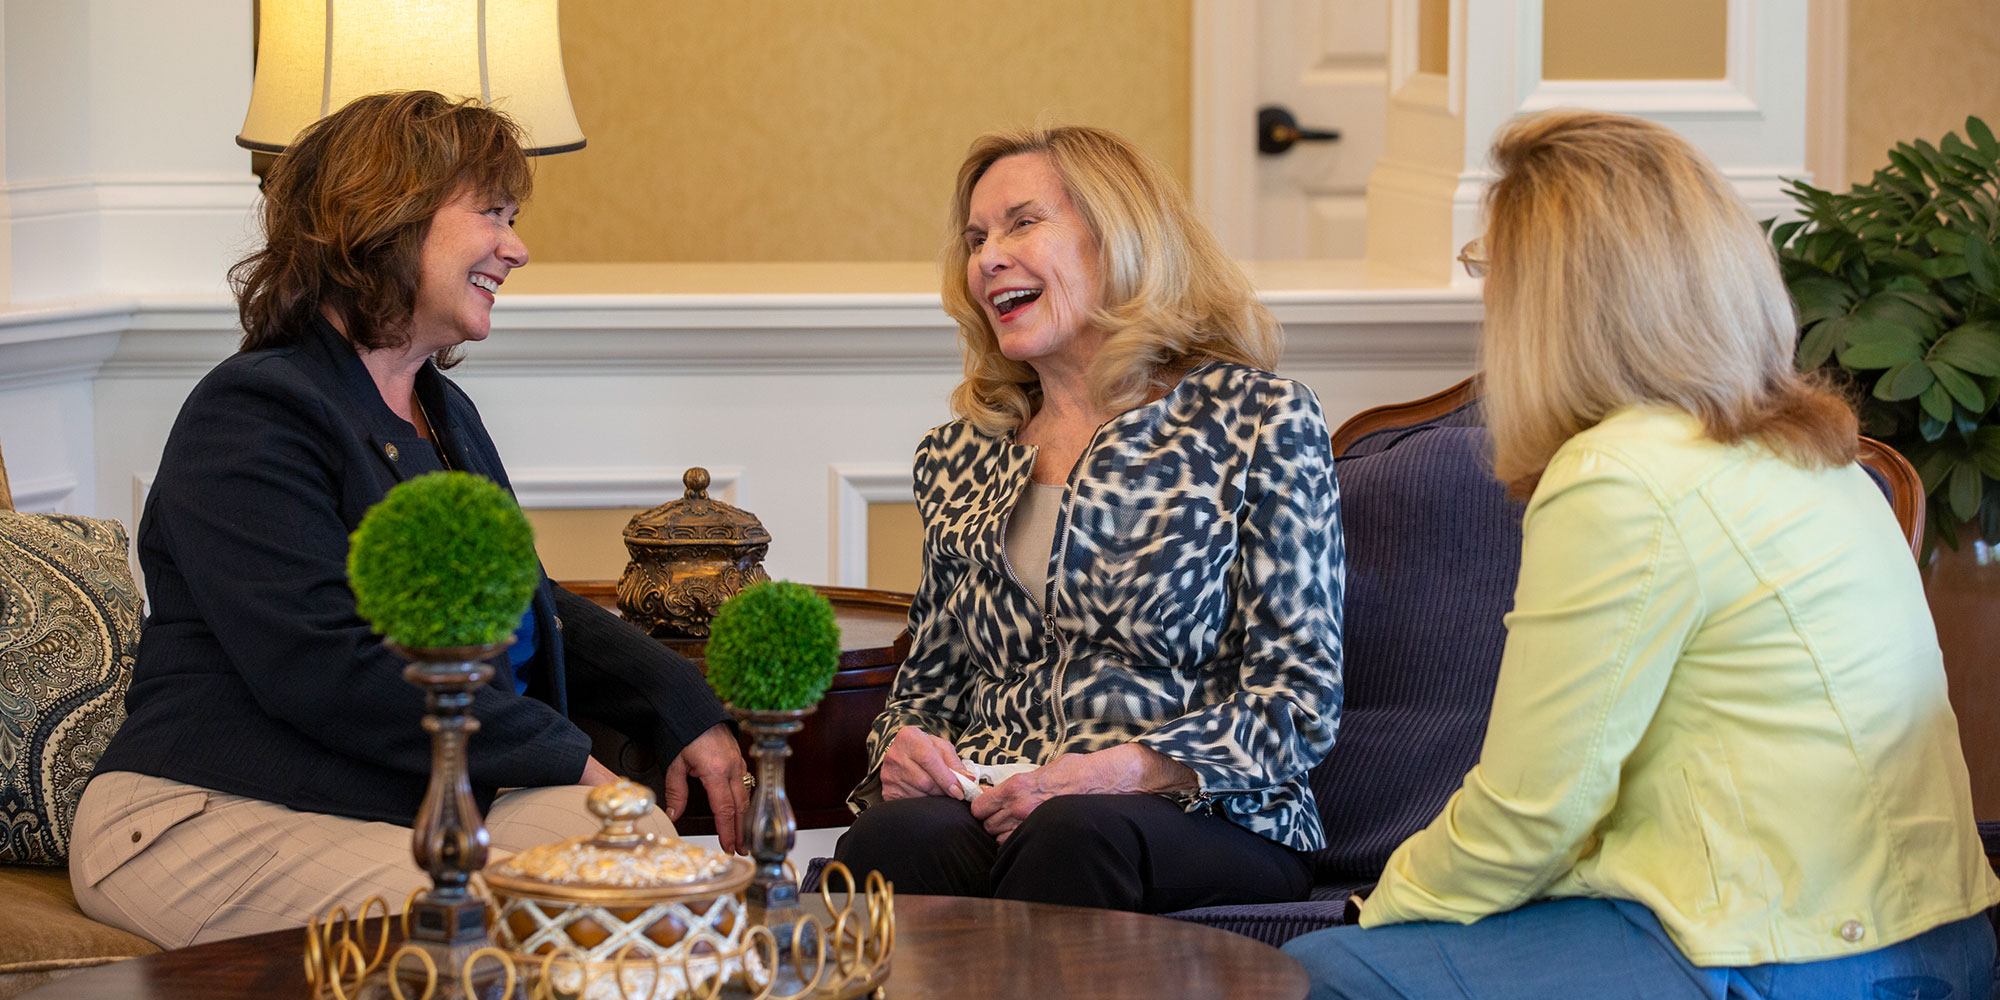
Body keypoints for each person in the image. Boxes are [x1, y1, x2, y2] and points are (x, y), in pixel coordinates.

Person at [1282, 109, 2000, 999]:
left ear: (1551, 302)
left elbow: (1530, 814)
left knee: (1319, 974)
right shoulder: (1822, 458)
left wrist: (1376, 907)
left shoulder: (1618, 474)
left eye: (1491, 271)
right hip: (1942, 945)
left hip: (1785, 958)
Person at [70, 91, 750, 949]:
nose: (517, 247)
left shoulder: (442, 410)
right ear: (388, 215)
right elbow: (326, 666)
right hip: (199, 815)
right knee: (494, 922)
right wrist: (572, 760)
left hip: (391, 803)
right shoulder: (252, 413)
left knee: (638, 851)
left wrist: (682, 703)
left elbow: (528, 605)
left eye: (513, 219)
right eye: (491, 214)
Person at [833, 125, 1344, 913]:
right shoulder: (960, 455)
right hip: (1002, 798)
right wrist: (902, 749)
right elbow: (928, 686)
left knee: (1074, 835)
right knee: (890, 840)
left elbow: (1297, 700)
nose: (988, 259)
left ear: (1119, 238)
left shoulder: (1256, 420)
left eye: (1021, 224)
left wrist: (1125, 770)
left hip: (1208, 812)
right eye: (976, 239)